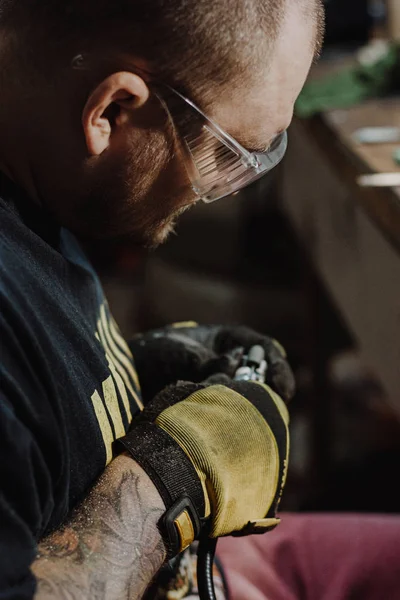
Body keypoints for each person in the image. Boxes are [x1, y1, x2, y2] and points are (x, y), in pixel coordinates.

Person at [2, 1, 399, 599]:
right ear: (112, 109)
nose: (218, 189)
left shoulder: (38, 182)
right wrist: (171, 479)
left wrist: (122, 374)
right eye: (228, 155)